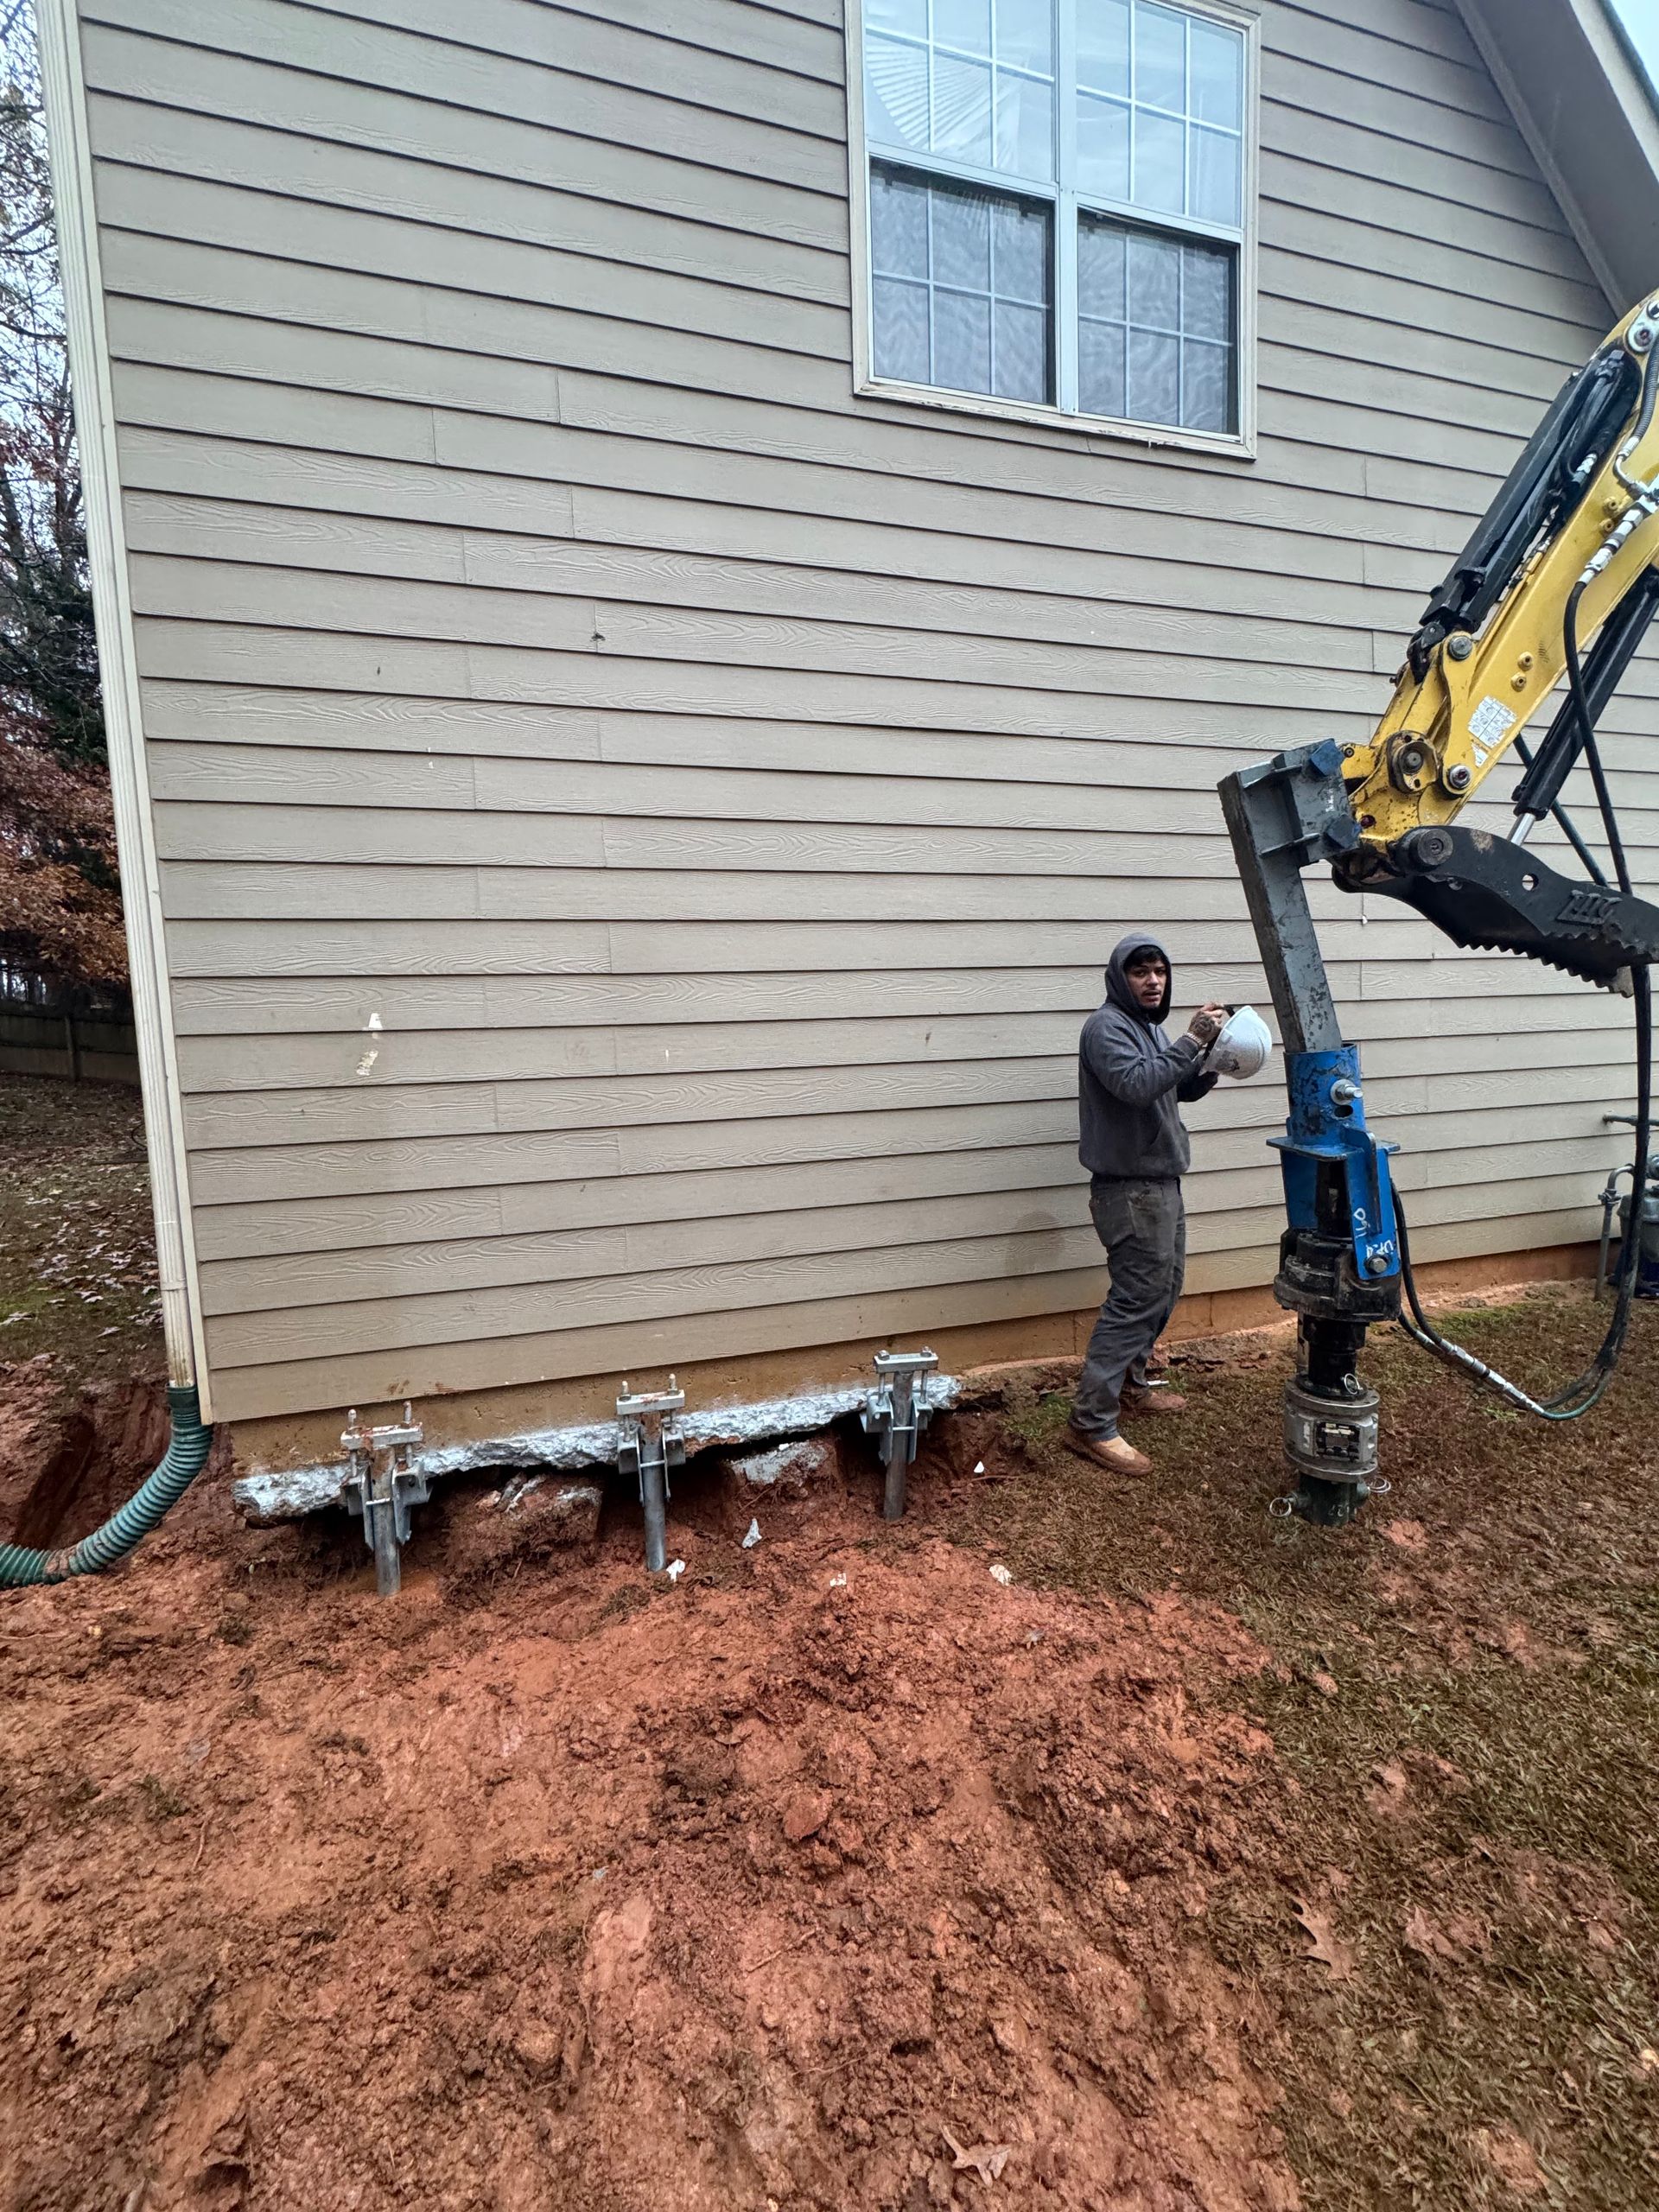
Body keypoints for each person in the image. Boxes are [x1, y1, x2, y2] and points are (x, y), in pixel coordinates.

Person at [1064, 935, 1228, 1476]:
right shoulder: (1106, 1028)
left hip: (1160, 1185)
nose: (1153, 981)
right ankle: (1090, 1424)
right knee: (1135, 1300)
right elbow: (1135, 1085)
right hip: (1130, 1190)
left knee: (1165, 1289)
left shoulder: (1149, 1030)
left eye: (1159, 971)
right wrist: (1189, 1041)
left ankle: (1131, 1385)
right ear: (1120, 978)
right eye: (1140, 973)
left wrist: (1209, 1060)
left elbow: (1169, 1090)